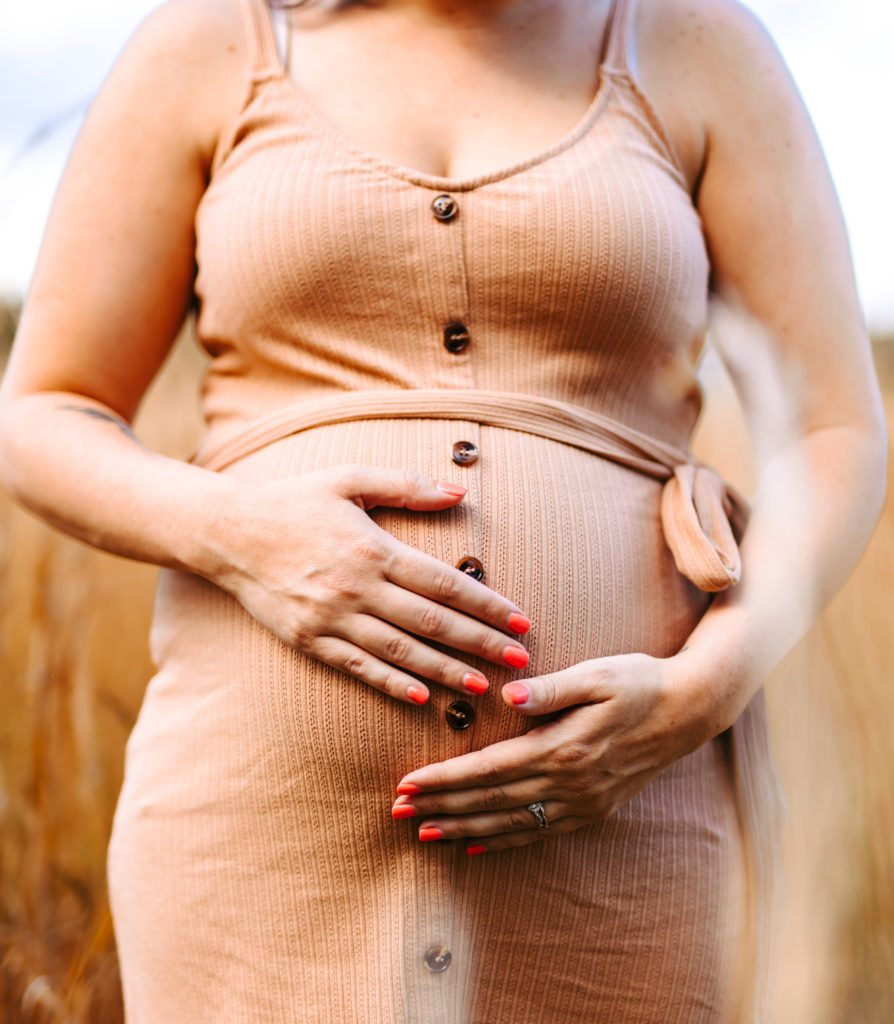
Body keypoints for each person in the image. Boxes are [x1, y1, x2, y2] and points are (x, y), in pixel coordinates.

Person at [0, 0, 885, 1019]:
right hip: (258, 846)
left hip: (627, 814)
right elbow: (45, 413)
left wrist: (701, 692)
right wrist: (243, 537)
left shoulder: (692, 44)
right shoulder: (212, 46)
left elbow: (836, 433)